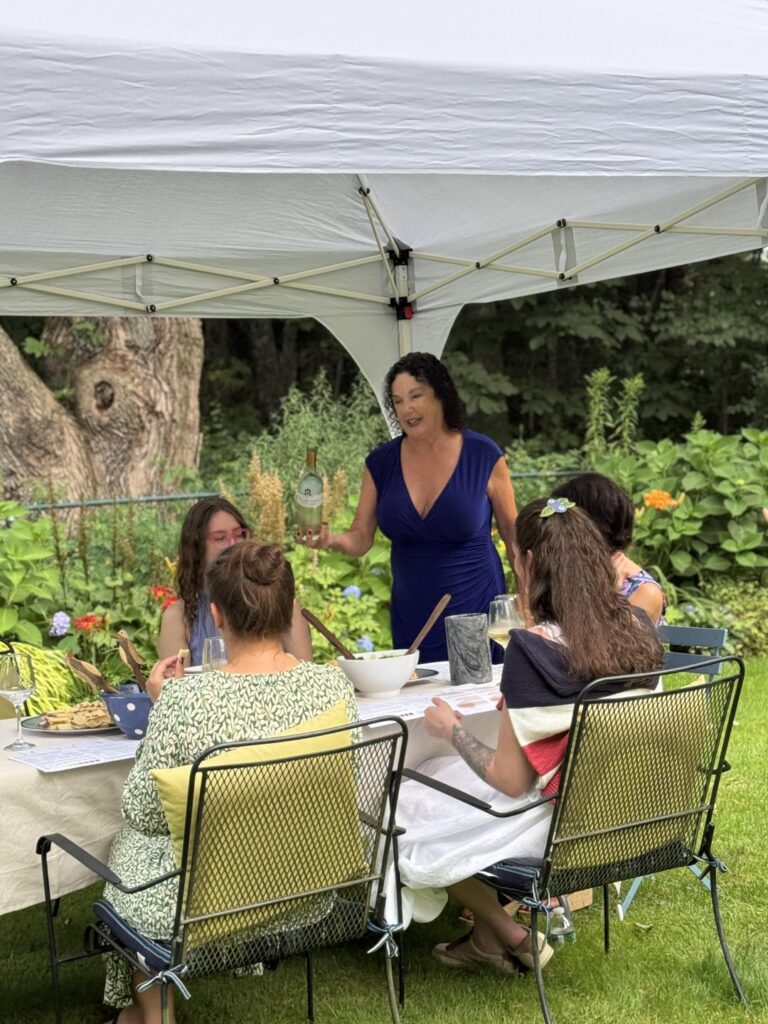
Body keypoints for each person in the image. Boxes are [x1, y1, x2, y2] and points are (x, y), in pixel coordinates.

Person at [392, 497, 663, 973]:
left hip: (553, 826)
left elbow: (511, 781)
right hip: (626, 809)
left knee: (398, 805)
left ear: (530, 561)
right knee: (431, 779)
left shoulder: (534, 650)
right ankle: (495, 937)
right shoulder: (638, 627)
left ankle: (508, 931)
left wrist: (452, 730)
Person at [102, 542, 357, 1023]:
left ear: (216, 615)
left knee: (130, 851)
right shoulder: (333, 686)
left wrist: (163, 707)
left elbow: (142, 811)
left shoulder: (186, 700)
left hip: (211, 903)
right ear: (289, 612)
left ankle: (149, 1014)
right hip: (305, 885)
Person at [294, 352, 517, 663]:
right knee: (421, 705)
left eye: (416, 396)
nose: (406, 408)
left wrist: (529, 607)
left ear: (440, 395)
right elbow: (360, 537)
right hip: (413, 616)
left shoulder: (483, 454)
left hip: (476, 610)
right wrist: (330, 540)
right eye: (398, 401)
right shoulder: (380, 463)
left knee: (479, 703)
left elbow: (516, 539)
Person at [159, 497, 312, 664]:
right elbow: (175, 685)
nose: (234, 545)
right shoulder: (178, 616)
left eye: (239, 535)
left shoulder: (282, 604)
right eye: (220, 538)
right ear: (196, 549)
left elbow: (305, 677)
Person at [554, 472, 667, 625]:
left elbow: (620, 647)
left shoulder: (643, 591)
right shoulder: (569, 570)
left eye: (562, 522)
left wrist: (605, 598)